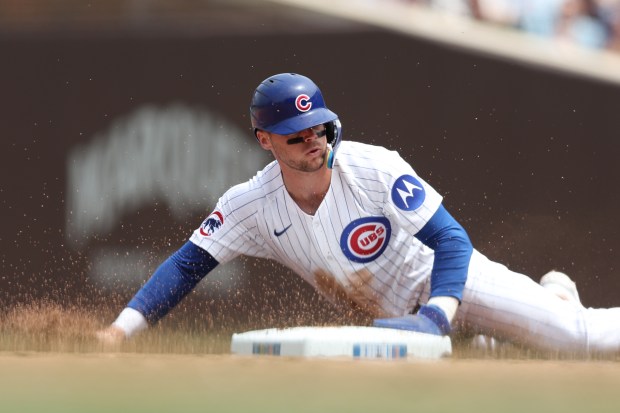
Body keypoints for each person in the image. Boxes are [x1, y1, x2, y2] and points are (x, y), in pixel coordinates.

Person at [98, 72, 620, 355]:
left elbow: (452, 241)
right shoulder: (249, 205)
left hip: (453, 283)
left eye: (319, 127)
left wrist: (437, 315)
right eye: (296, 134)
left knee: (577, 340)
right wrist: (120, 332)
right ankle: (501, 325)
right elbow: (188, 265)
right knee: (488, 358)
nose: (313, 140)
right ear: (264, 140)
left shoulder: (373, 168)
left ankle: (549, 306)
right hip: (397, 322)